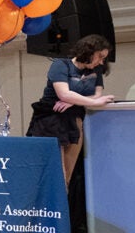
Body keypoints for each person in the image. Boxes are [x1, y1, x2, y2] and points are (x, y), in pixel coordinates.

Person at [26, 34, 114, 186]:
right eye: (100, 56)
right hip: (52, 120)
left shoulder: (96, 71)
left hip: (74, 121)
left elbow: (96, 95)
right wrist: (79, 99)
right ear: (89, 51)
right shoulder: (61, 65)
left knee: (68, 176)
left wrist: (73, 102)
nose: (102, 61)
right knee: (55, 173)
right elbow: (64, 94)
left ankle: (64, 207)